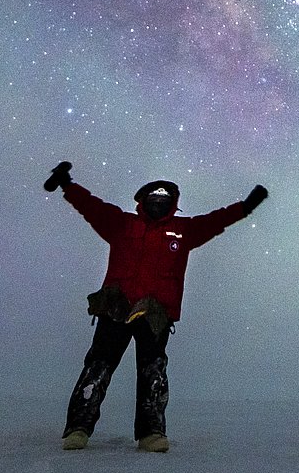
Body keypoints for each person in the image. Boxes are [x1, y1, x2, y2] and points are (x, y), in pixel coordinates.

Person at [42, 160, 268, 452]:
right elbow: (92, 207)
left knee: (153, 373)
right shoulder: (121, 224)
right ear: (143, 200)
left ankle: (151, 434)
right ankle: (78, 429)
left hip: (155, 314)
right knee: (97, 368)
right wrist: (67, 185)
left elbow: (215, 221)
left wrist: (245, 207)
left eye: (165, 198)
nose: (159, 202)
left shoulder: (183, 231)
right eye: (154, 197)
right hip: (116, 308)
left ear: (173, 203)